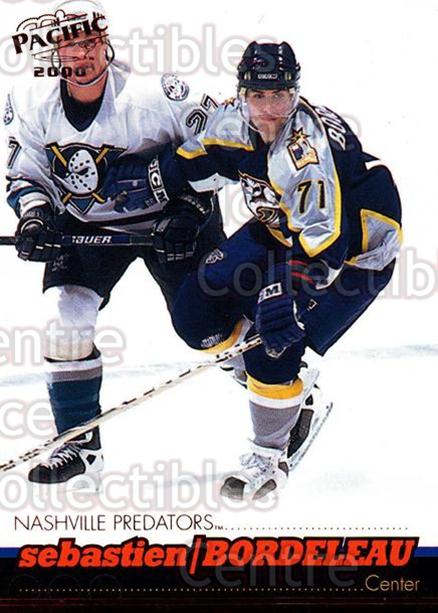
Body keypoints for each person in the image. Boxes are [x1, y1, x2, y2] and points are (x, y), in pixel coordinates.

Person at [101, 41, 402, 501]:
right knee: (195, 314)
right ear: (242, 93)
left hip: (355, 252)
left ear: (295, 93)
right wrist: (144, 182)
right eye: (258, 96)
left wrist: (287, 293)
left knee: (274, 340)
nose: (268, 110)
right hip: (280, 226)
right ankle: (289, 393)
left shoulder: (304, 152)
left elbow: (325, 244)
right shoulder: (233, 121)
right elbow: (196, 162)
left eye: (279, 95)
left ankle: (269, 455)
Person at [4, 0, 225, 490]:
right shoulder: (32, 103)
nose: (80, 54)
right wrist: (35, 215)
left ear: (105, 44)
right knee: (64, 320)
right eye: (69, 46)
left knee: (211, 330)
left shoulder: (152, 95)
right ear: (54, 54)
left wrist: (191, 209)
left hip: (171, 224)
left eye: (89, 43)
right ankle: (80, 446)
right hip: (89, 224)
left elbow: (225, 143)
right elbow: (27, 175)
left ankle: (284, 394)